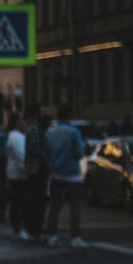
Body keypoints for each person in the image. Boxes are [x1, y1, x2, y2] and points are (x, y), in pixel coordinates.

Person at [44, 104, 88, 249]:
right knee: (74, 207)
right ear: (70, 116)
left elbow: (47, 153)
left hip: (56, 172)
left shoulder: (50, 132)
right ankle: (75, 237)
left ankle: (52, 236)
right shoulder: (74, 132)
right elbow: (79, 153)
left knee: (55, 207)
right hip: (72, 174)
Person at [22, 102, 49, 242]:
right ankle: (34, 231)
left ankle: (34, 230)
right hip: (36, 170)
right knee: (36, 202)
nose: (44, 113)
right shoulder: (34, 129)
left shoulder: (34, 128)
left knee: (35, 201)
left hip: (34, 170)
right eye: (42, 111)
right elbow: (37, 150)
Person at [4, 110, 28, 239]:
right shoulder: (16, 136)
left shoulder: (15, 135)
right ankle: (18, 227)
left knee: (17, 201)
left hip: (16, 173)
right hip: (18, 174)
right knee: (18, 202)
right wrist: (27, 170)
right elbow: (20, 155)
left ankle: (18, 227)